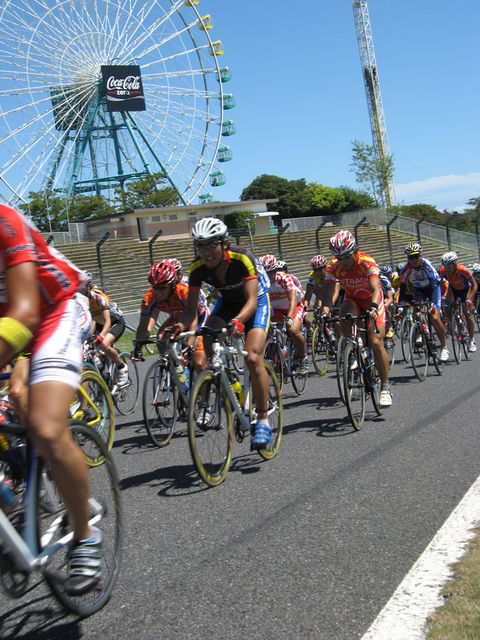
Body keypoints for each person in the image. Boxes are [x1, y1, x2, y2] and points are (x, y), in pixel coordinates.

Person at [0, 202, 103, 596]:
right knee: (16, 404)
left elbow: (26, 314)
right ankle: (17, 485)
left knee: (45, 426)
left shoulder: (4, 221)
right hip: (8, 320)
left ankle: (84, 535)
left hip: (50, 311)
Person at [175, 217, 272, 449]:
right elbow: (190, 310)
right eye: (200, 246)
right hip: (227, 303)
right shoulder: (197, 268)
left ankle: (263, 419)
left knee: (252, 357)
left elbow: (251, 300)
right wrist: (177, 329)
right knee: (207, 332)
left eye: (211, 245)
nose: (205, 252)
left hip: (255, 303)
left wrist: (238, 321)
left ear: (224, 243)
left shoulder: (242, 258)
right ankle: (229, 380)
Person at [321, 229, 393, 407]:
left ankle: (385, 387)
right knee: (344, 313)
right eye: (339, 258)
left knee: (376, 342)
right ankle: (353, 349)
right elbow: (329, 291)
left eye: (346, 257)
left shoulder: (367, 262)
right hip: (353, 299)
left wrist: (374, 307)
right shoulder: (335, 268)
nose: (343, 262)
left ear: (355, 250)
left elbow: (376, 289)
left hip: (372, 300)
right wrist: (324, 311)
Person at [133, 260, 208, 373]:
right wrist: (138, 346)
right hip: (177, 317)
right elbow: (143, 325)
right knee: (161, 338)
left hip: (198, 317)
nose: (158, 292)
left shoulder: (183, 292)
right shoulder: (149, 298)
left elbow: (193, 317)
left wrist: (190, 344)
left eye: (163, 288)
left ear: (172, 285)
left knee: (197, 361)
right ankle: (175, 370)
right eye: (155, 287)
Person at [398, 242, 449, 361]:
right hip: (419, 290)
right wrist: (401, 305)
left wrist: (433, 304)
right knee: (417, 312)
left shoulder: (427, 265)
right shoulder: (405, 270)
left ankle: (444, 347)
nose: (414, 260)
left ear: (420, 255)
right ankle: (421, 334)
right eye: (411, 257)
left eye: (416, 256)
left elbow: (434, 282)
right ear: (407, 258)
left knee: (434, 317)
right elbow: (403, 288)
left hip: (433, 289)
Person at [260, 254, 308, 375]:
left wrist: (290, 317)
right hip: (277, 309)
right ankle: (276, 365)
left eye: (269, 273)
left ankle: (303, 358)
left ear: (275, 271)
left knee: (292, 330)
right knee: (271, 334)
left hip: (294, 306)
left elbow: (292, 299)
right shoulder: (260, 282)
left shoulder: (284, 278)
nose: (266, 277)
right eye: (263, 274)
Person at [84, 278, 129, 387]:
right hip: (99, 323)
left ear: (88, 286)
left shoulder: (98, 297)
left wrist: (101, 336)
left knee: (104, 344)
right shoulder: (80, 301)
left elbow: (107, 321)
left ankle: (121, 367)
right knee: (92, 352)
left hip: (115, 322)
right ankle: (106, 382)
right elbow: (91, 321)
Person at [439, 251, 477, 352]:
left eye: (449, 266)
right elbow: (437, 283)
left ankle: (471, 339)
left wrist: (470, 299)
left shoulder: (463, 270)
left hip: (465, 291)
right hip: (453, 290)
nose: (447, 269)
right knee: (446, 304)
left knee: (467, 312)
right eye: (445, 266)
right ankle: (450, 322)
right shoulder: (442, 271)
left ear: (455, 264)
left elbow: (474, 285)